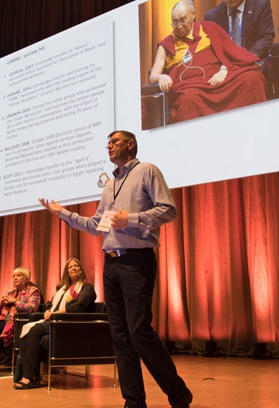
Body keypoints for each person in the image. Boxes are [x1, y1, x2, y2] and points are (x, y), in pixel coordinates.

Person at [39, 130, 192, 408]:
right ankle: (133, 401)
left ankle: (178, 393)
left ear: (130, 145)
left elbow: (169, 210)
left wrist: (131, 219)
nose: (109, 147)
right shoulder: (110, 185)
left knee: (139, 331)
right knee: (120, 337)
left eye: (114, 142)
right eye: (107, 143)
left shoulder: (147, 170)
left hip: (136, 262)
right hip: (110, 264)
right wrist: (62, 213)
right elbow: (96, 225)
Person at [148, 0, 266, 124]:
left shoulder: (209, 29)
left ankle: (256, 122)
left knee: (251, 78)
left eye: (183, 20)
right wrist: (161, 77)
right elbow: (152, 77)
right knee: (188, 99)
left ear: (193, 14)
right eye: (175, 22)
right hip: (192, 86)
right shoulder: (166, 44)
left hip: (220, 80)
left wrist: (223, 70)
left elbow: (229, 53)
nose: (179, 26)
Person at [14, 258, 97, 389]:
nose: (74, 268)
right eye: (70, 267)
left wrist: (59, 312)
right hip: (55, 319)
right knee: (25, 329)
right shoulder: (63, 289)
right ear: (67, 272)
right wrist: (48, 310)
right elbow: (51, 303)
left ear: (81, 270)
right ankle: (30, 375)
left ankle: (30, 378)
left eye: (76, 266)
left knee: (35, 330)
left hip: (68, 323)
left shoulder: (86, 287)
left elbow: (80, 306)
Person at [204, 0, 275, 59]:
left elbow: (266, 37)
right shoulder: (212, 16)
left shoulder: (260, 5)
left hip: (253, 58)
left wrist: (247, 58)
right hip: (226, 63)